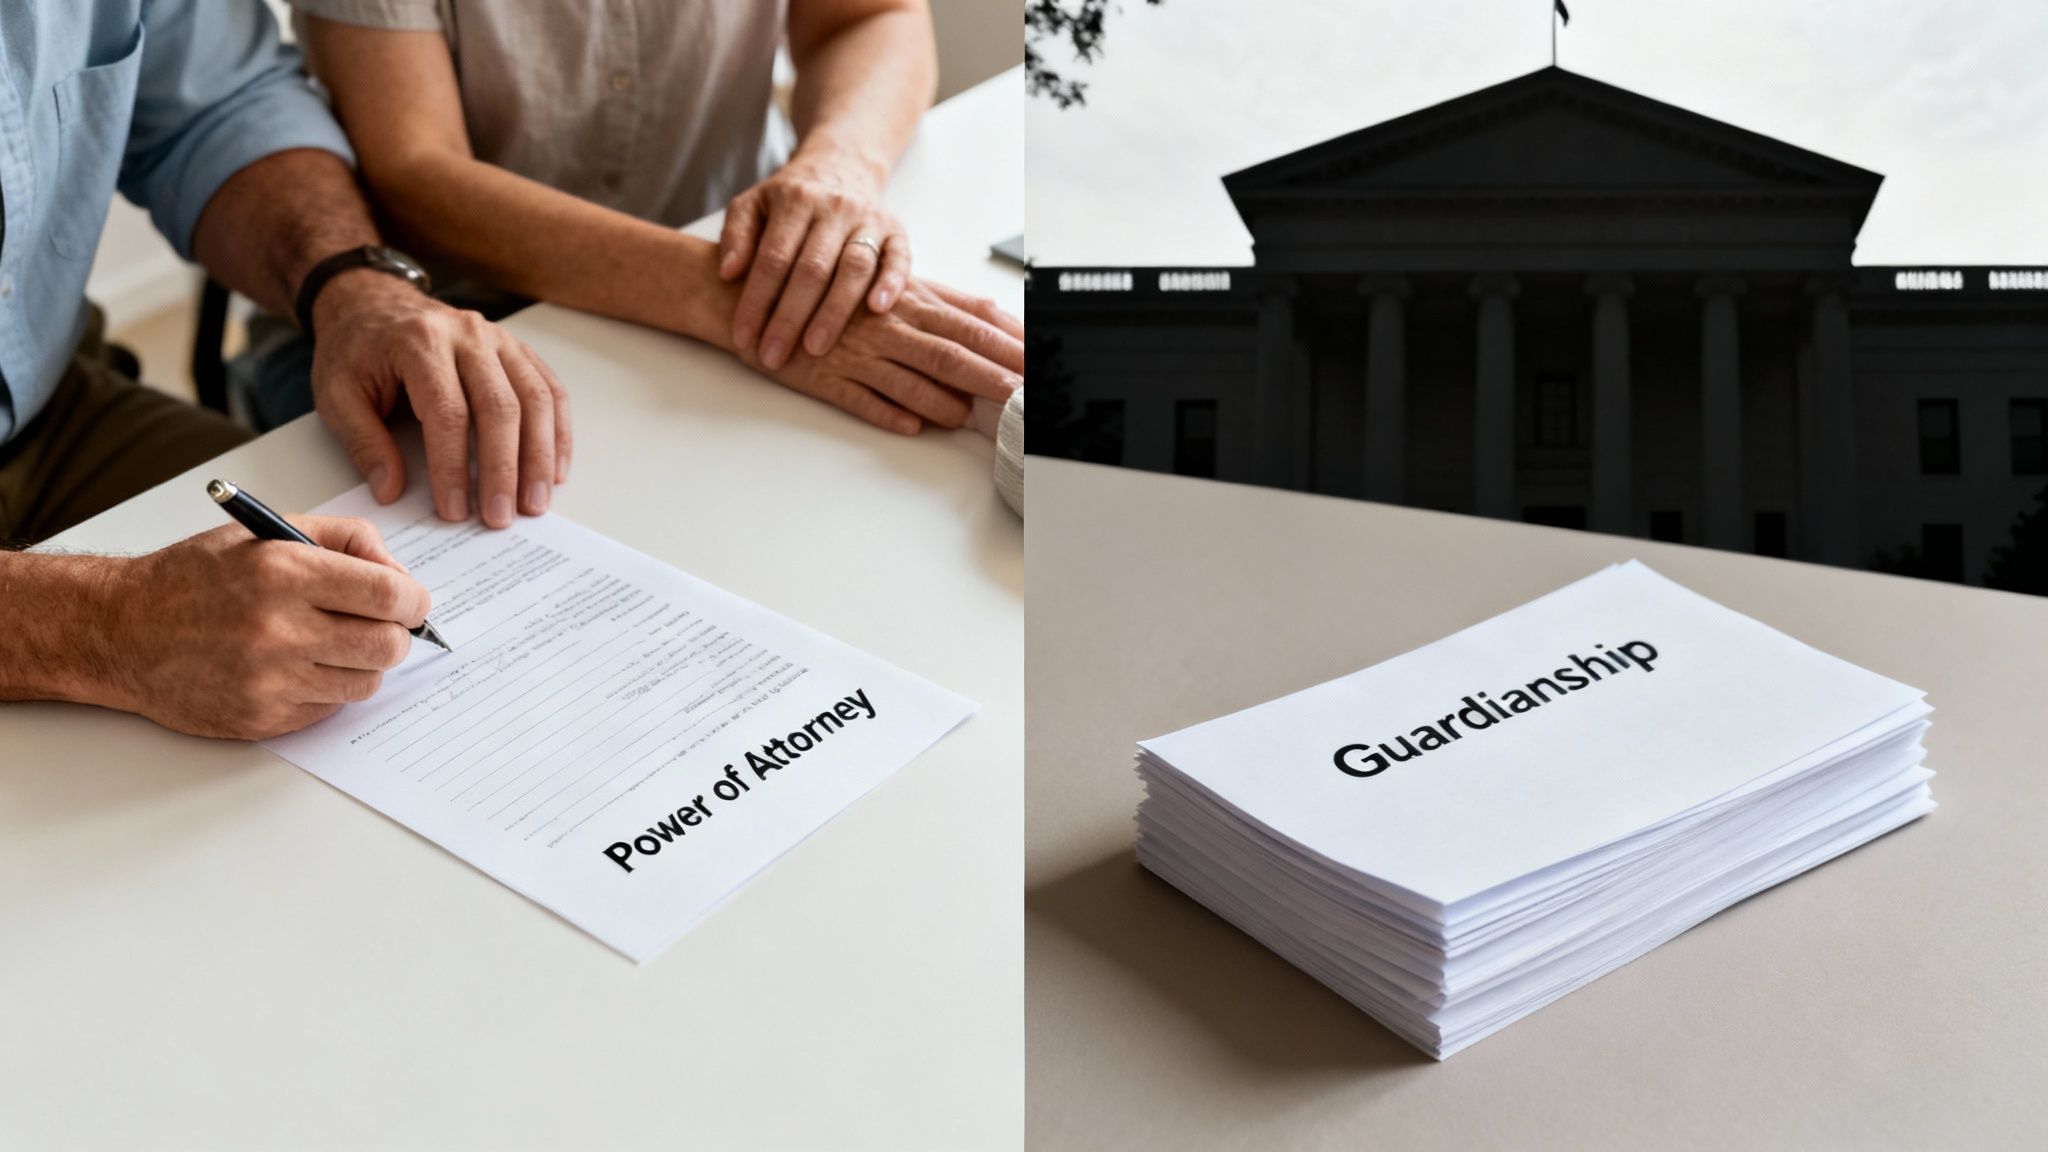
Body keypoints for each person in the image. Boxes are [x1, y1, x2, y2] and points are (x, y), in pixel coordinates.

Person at [0, 0, 571, 739]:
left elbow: (218, 112)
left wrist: (351, 284)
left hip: (55, 403)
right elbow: (124, 625)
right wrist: (107, 624)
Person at [252, 0, 1024, 436]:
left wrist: (839, 165)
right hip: (442, 312)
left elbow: (868, 17)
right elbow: (416, 174)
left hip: (745, 266)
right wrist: (736, 301)